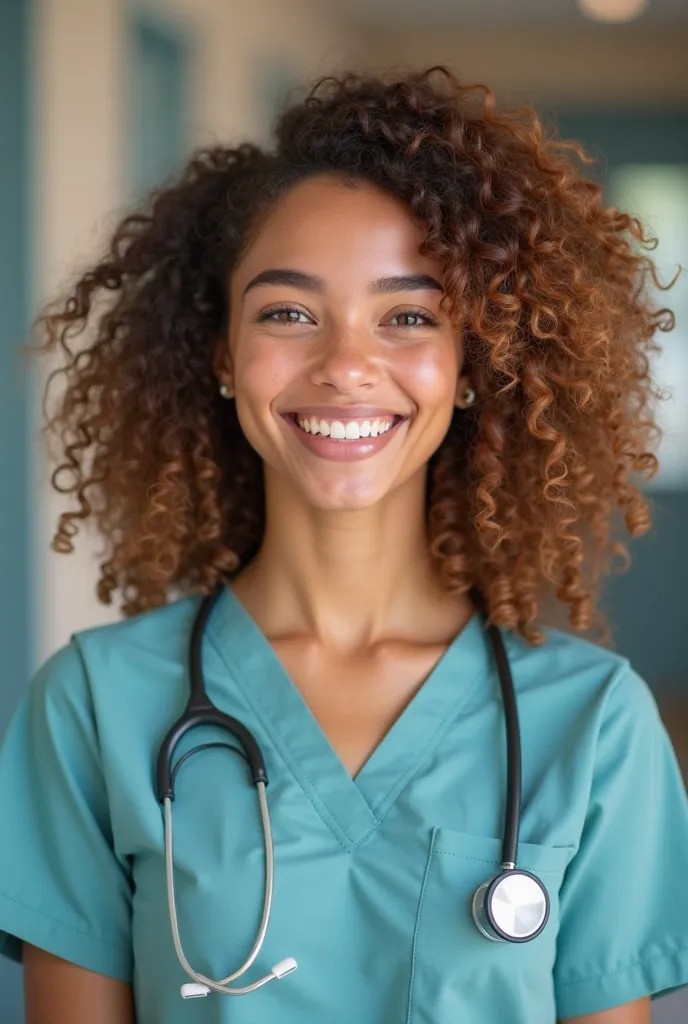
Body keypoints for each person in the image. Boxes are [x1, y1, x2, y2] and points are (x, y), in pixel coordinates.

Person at [1, 64, 687, 1024]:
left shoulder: (594, 725)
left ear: (471, 364)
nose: (347, 367)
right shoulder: (94, 707)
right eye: (288, 313)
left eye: (408, 316)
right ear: (222, 357)